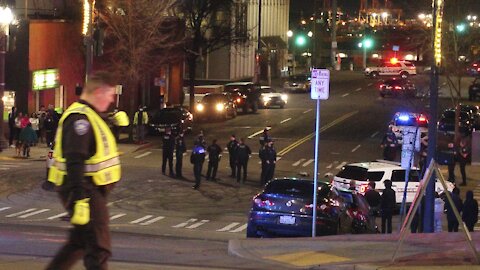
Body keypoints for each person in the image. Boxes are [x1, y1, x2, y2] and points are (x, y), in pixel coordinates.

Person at [46, 71, 121, 269]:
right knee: (98, 247)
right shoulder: (80, 119)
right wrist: (80, 197)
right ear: (98, 92)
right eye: (110, 94)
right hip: (85, 190)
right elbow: (75, 159)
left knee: (79, 242)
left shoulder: (90, 116)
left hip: (87, 189)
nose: (111, 100)